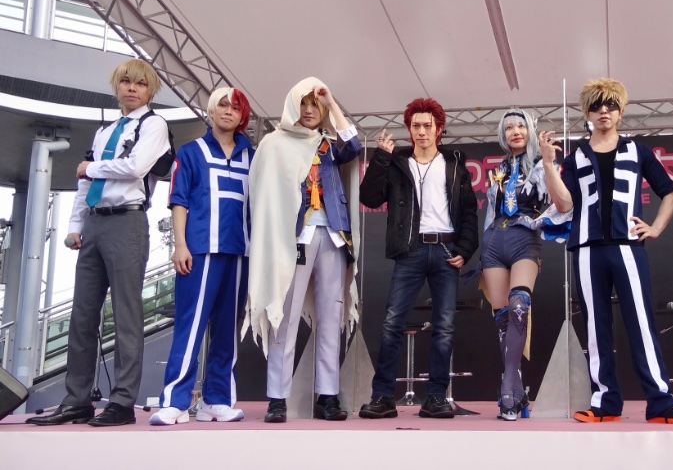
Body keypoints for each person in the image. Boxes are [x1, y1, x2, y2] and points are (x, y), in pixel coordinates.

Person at [540, 77, 673, 425]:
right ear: (587, 113)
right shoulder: (575, 157)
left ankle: (661, 403)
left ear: (621, 112)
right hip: (587, 250)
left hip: (628, 248)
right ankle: (605, 403)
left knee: (641, 323)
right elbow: (564, 205)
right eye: (597, 106)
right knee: (596, 327)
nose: (604, 111)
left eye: (611, 105)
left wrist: (655, 227)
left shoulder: (638, 151)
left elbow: (670, 192)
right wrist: (549, 164)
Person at [27, 59, 171, 427]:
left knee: (126, 315)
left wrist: (89, 167)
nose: (132, 88)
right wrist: (75, 225)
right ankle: (77, 399)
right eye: (126, 82)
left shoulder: (153, 125)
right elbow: (84, 184)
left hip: (128, 221)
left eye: (140, 84)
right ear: (117, 86)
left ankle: (122, 401)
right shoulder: (104, 130)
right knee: (82, 316)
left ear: (150, 90)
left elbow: (136, 167)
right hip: (94, 222)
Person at [245, 77, 361, 423]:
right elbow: (262, 196)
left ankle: (328, 395)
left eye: (316, 104)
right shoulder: (273, 143)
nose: (310, 110)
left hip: (333, 235)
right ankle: (277, 397)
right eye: (304, 103)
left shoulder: (327, 144)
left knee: (331, 316)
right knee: (285, 316)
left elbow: (354, 146)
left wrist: (333, 103)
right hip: (292, 238)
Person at [358, 98, 478, 419]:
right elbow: (369, 197)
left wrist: (465, 249)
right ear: (409, 129)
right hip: (409, 250)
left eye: (427, 126)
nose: (421, 131)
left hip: (445, 249)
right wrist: (381, 158)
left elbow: (468, 210)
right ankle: (383, 397)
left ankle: (436, 397)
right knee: (392, 322)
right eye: (416, 126)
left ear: (439, 129)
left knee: (444, 326)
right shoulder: (397, 162)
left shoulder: (454, 162)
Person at [149, 87, 254, 425]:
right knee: (190, 326)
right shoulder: (191, 152)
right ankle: (175, 402)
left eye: (235, 107)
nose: (228, 111)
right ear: (210, 110)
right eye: (222, 105)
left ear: (242, 115)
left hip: (239, 252)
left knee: (227, 332)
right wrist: (180, 245)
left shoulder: (252, 156)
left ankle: (216, 400)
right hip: (199, 251)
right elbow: (178, 200)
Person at [481, 109, 570, 420]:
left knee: (519, 305)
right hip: (494, 242)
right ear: (502, 134)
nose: (515, 131)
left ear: (530, 130)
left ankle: (507, 387)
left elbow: (564, 204)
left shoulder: (543, 162)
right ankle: (517, 392)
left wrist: (547, 162)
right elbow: (491, 212)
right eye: (509, 127)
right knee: (502, 319)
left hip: (524, 239)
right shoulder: (499, 169)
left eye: (521, 125)